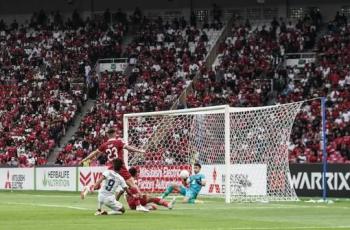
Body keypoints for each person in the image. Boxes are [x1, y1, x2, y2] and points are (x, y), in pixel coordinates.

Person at [80, 128, 148, 212]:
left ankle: (89, 187)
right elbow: (128, 148)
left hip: (110, 168)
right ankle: (138, 206)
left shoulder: (104, 145)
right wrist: (139, 151)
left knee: (106, 186)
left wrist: (84, 159)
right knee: (132, 185)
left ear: (108, 135)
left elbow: (95, 153)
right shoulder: (118, 142)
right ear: (115, 134)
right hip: (120, 167)